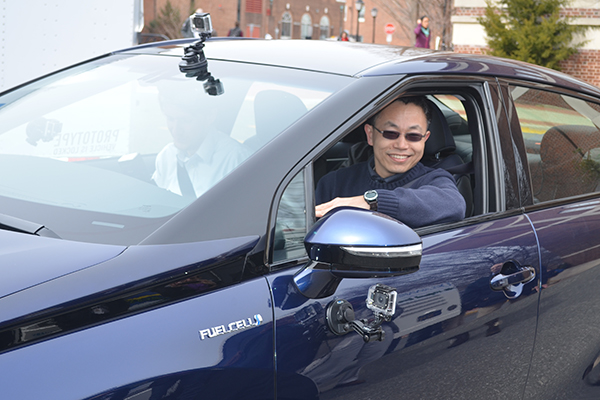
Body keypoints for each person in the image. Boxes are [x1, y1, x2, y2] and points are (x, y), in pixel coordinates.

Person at [315, 96, 466, 229]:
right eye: (391, 133)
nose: (402, 145)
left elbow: (454, 205)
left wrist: (373, 201)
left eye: (413, 136)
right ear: (370, 134)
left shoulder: (436, 180)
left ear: (425, 139)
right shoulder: (334, 183)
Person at [152, 82, 250, 198]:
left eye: (186, 120)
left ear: (210, 116)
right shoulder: (167, 156)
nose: (176, 130)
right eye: (171, 119)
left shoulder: (238, 161)